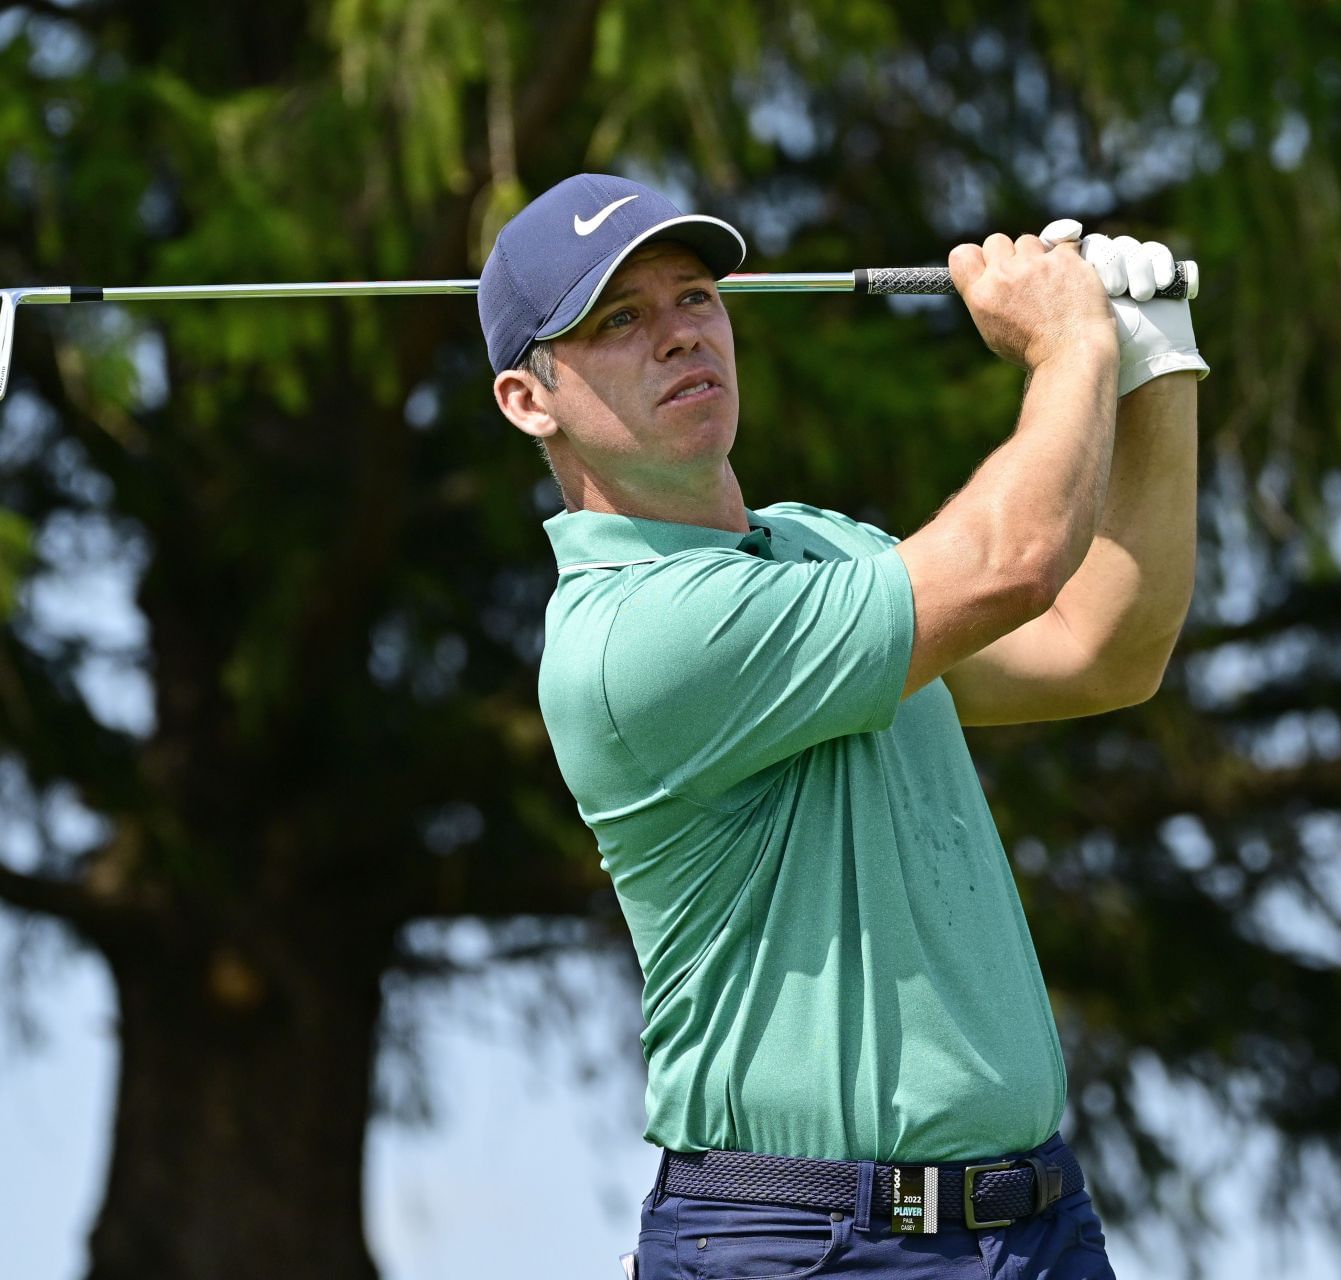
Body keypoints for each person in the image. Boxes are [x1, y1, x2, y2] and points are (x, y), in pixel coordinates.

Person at [481, 173, 1205, 1280]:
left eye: (694, 298)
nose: (680, 335)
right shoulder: (632, 640)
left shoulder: (823, 547)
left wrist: (1156, 364)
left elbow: (1102, 647)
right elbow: (1013, 562)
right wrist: (1070, 351)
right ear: (530, 401)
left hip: (1035, 1224)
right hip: (806, 1241)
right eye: (619, 320)